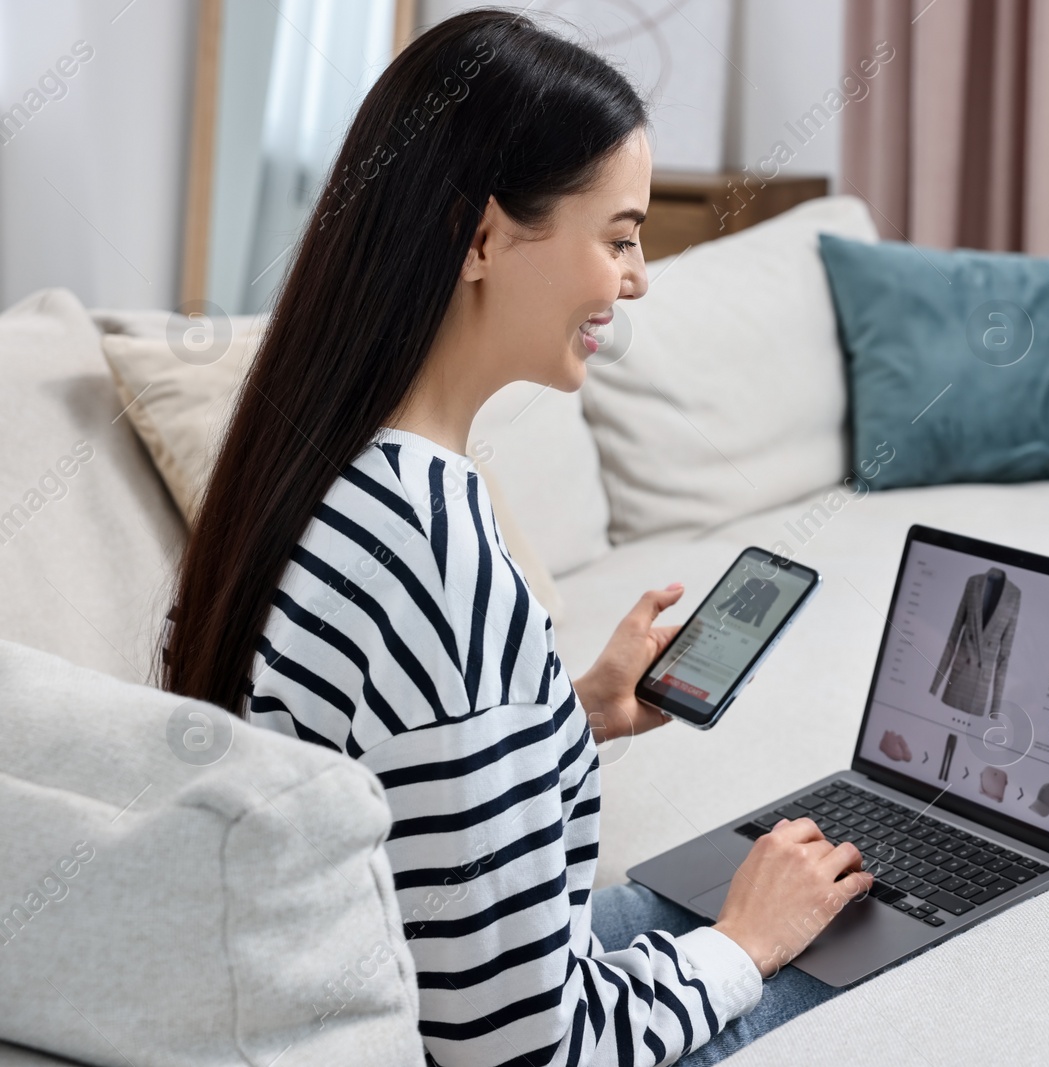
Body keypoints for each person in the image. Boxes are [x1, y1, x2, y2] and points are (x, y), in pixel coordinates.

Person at [159, 10, 871, 1065]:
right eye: (619, 236)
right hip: (467, 1029)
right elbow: (527, 1052)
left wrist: (562, 713)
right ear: (484, 237)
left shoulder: (315, 465)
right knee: (877, 950)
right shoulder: (439, 559)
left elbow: (384, 787)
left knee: (802, 906)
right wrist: (743, 945)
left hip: (386, 965)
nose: (637, 278)